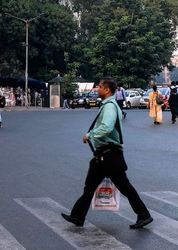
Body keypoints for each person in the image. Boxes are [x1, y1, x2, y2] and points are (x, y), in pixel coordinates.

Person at [61, 77, 152, 229]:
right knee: (89, 186)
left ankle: (144, 215)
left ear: (107, 90)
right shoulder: (108, 105)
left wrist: (89, 135)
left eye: (100, 87)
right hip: (102, 155)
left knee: (125, 187)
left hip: (110, 155)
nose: (97, 89)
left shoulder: (110, 106)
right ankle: (77, 216)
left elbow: (106, 127)